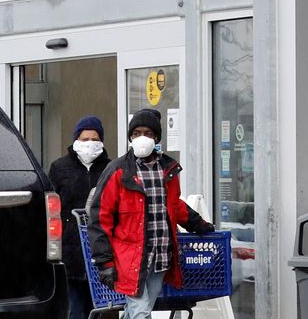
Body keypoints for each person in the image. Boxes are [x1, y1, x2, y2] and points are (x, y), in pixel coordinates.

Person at [87, 109, 213, 319]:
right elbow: (100, 217)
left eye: (147, 133)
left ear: (156, 137)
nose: (141, 138)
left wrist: (199, 224)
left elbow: (174, 206)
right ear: (130, 137)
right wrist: (105, 262)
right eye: (136, 133)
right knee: (141, 313)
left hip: (160, 257)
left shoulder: (168, 169)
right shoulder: (118, 170)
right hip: (128, 260)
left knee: (138, 311)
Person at [47, 116, 111, 319]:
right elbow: (51, 208)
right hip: (70, 252)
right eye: (85, 139)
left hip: (101, 253)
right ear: (76, 140)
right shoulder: (59, 168)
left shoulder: (111, 169)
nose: (89, 143)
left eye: (94, 138)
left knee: (101, 310)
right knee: (75, 311)